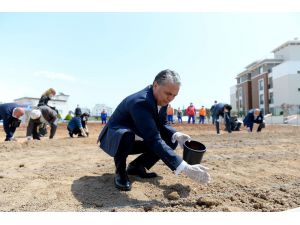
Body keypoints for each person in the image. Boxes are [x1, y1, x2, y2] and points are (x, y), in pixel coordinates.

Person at [97, 69, 210, 191]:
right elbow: (153, 138)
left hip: (138, 135)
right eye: (168, 93)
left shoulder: (162, 99)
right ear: (155, 85)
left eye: (174, 95)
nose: (170, 98)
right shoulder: (140, 102)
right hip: (115, 139)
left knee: (171, 140)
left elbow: (162, 123)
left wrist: (175, 134)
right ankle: (120, 172)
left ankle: (137, 166)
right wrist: (184, 167)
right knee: (126, 135)